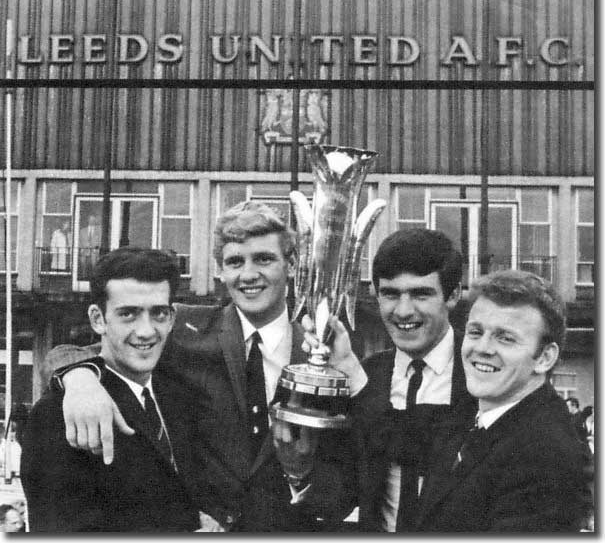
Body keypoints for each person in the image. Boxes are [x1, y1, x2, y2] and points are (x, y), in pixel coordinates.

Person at [44, 201, 357, 531]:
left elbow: (346, 479)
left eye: (264, 259)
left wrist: (300, 476)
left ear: (292, 264)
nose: (249, 274)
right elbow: (75, 351)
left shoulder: (321, 353)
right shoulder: (184, 329)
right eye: (235, 262)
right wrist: (79, 380)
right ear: (220, 270)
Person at [275, 228, 477, 531]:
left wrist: (358, 382)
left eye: (421, 294)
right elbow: (337, 498)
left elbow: (428, 454)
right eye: (391, 294)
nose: (404, 311)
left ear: (453, 295)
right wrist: (299, 472)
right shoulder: (369, 375)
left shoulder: (481, 373)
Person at [21, 248, 222, 532]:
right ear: (97, 319)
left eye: (159, 313)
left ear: (173, 317)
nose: (146, 331)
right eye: (128, 314)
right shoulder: (59, 412)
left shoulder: (178, 395)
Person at [413, 270, 593, 531]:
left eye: (505, 338)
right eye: (475, 332)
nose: (482, 348)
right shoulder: (473, 416)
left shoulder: (547, 456)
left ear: (544, 358)